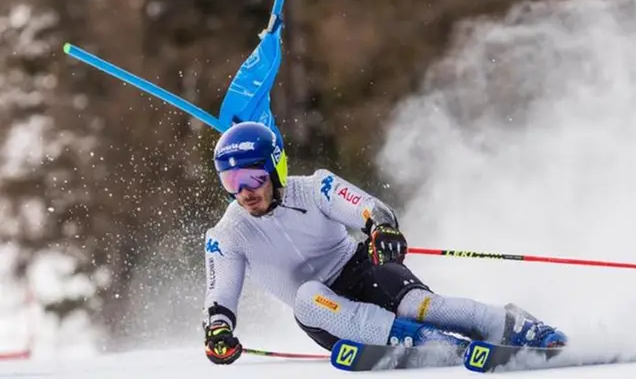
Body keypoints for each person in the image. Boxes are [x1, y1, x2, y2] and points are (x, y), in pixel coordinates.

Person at [201, 121, 568, 365]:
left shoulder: (314, 188)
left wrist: (381, 227)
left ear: (275, 167)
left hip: (362, 270)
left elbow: (367, 207)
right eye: (231, 182)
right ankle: (422, 341)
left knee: (420, 305)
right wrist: (218, 328)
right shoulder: (227, 235)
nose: (244, 192)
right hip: (330, 315)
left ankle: (512, 325)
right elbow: (221, 296)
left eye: (252, 176)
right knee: (306, 298)